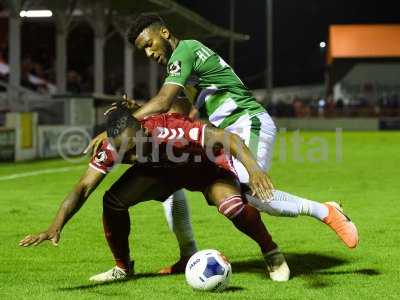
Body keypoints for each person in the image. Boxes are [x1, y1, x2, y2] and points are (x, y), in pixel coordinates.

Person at [87, 13, 358, 258]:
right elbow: (183, 108)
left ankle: (326, 212)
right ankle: (188, 253)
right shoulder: (183, 61)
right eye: (142, 50)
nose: (147, 53)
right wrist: (140, 109)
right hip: (227, 130)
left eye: (149, 44)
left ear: (165, 33)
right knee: (171, 177)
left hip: (247, 122)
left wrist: (119, 125)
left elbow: (163, 102)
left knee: (254, 195)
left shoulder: (185, 50)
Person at [20, 106, 288, 282]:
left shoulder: (168, 128)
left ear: (145, 131)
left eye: (135, 148)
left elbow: (228, 139)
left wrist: (253, 170)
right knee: (113, 201)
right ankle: (123, 268)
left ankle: (271, 252)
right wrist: (55, 225)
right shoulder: (113, 147)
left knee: (232, 207)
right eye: (127, 153)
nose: (133, 156)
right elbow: (82, 187)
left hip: (203, 168)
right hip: (161, 174)